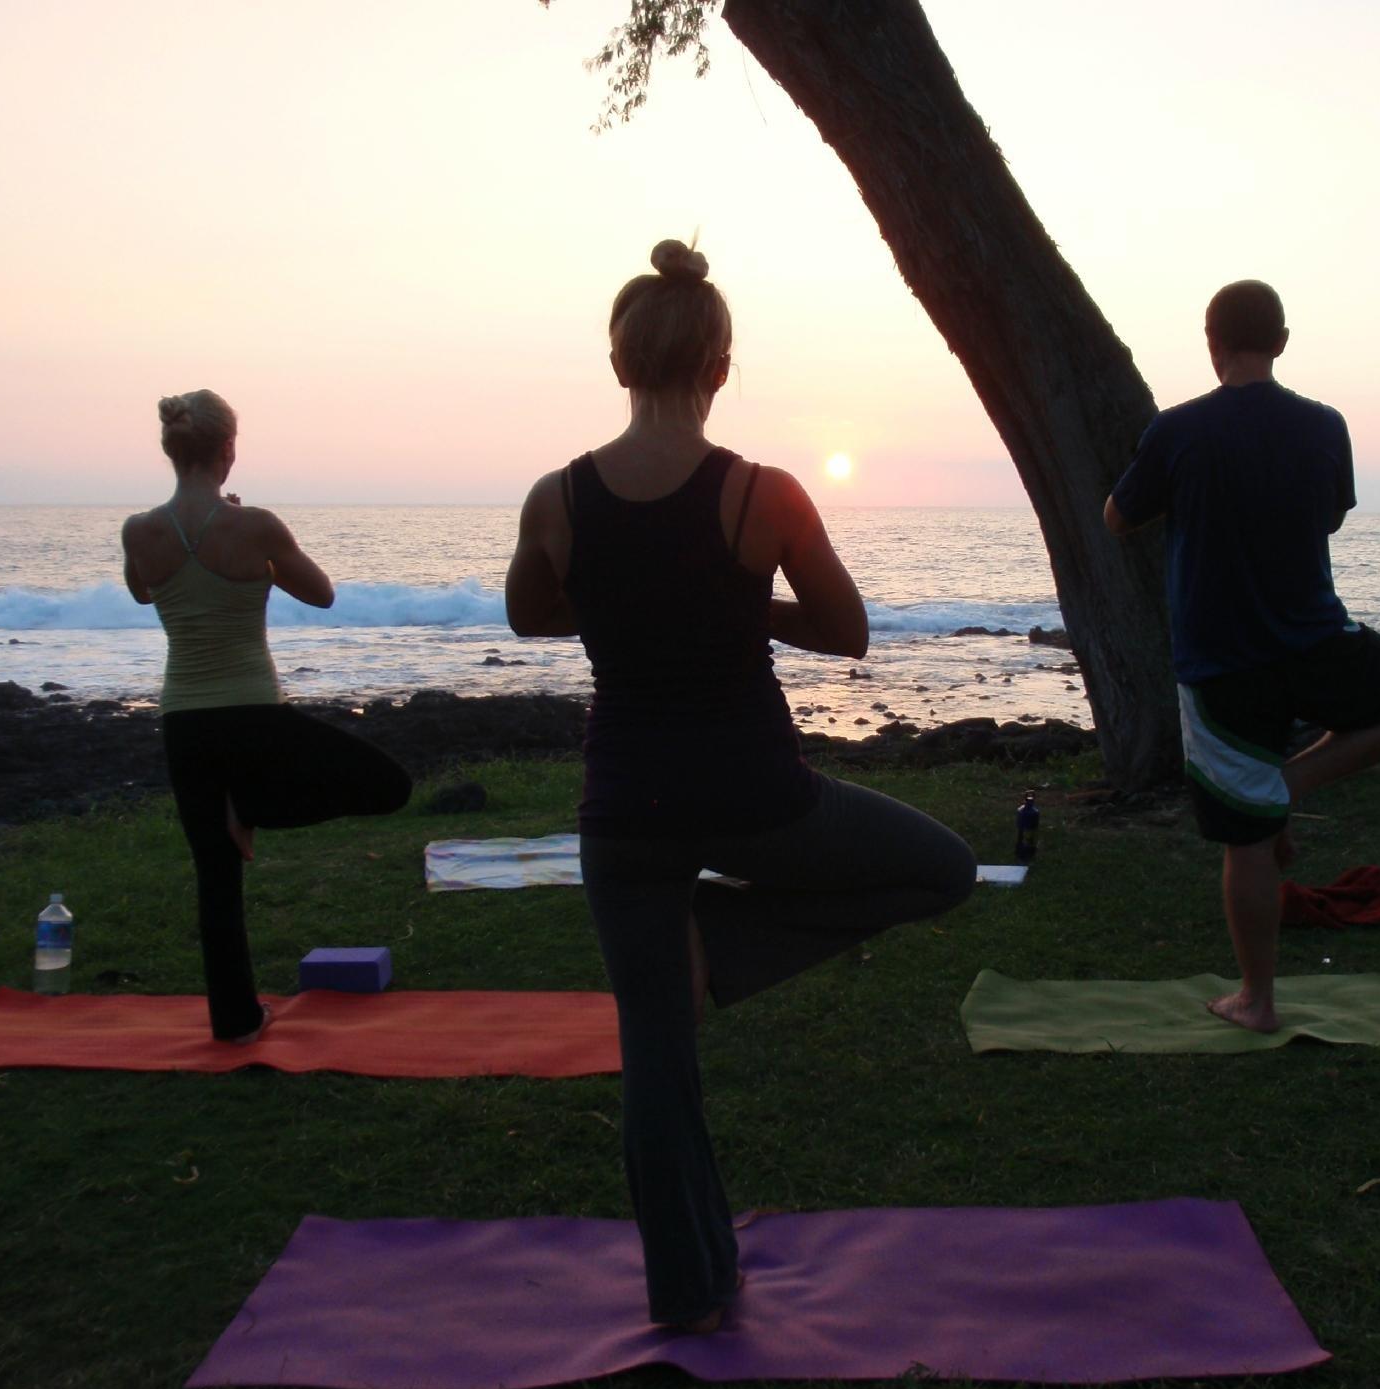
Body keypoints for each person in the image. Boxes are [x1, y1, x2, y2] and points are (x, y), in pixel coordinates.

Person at [504, 240, 977, 1333]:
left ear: (617, 363)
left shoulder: (555, 496)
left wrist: (649, 611)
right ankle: (725, 939)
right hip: (757, 798)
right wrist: (733, 605)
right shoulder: (762, 494)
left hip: (623, 814)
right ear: (720, 366)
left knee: (655, 1064)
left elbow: (532, 615)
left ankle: (687, 1300)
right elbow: (845, 633)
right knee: (942, 869)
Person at [1104, 280, 1380, 1035]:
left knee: (1247, 838)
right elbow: (1331, 516)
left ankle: (1256, 998)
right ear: (1282, 341)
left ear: (1211, 343)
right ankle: (1293, 780)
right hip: (1313, 638)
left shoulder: (1178, 429)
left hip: (1221, 663)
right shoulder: (1325, 425)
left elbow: (1119, 517)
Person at [121, 390, 411, 1042]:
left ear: (171, 450)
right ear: (229, 451)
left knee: (215, 877)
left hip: (184, 720)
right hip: (252, 710)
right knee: (388, 785)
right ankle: (250, 809)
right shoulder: (254, 525)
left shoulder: (139, 530)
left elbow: (143, 591)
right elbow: (323, 593)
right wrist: (255, 548)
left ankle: (235, 1021)